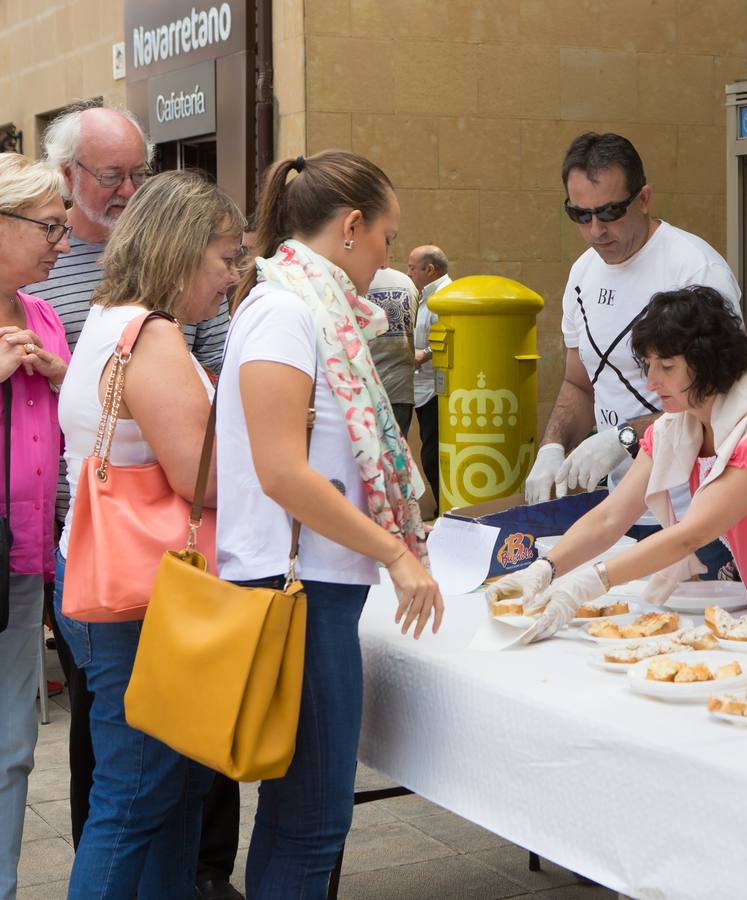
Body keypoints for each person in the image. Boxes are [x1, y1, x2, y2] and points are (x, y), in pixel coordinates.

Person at [222, 150, 441, 897]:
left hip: (312, 586)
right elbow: (283, 472)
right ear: (351, 228)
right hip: (300, 591)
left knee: (299, 815)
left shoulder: (303, 307)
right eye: (387, 236)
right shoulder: (287, 312)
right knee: (313, 820)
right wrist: (396, 551)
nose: (388, 256)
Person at [21, 102, 233, 862]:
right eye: (226, 257)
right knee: (136, 791)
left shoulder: (113, 311)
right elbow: (198, 473)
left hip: (103, 559)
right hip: (133, 577)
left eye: (138, 173)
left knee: (161, 789)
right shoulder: (144, 325)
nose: (232, 275)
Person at [490, 285, 747, 640]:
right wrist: (545, 569)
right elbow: (610, 517)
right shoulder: (678, 427)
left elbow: (693, 533)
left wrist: (590, 581)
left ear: (708, 364)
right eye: (647, 365)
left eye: (666, 367)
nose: (652, 382)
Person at [523, 132, 742, 577]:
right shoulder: (582, 273)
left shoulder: (694, 270)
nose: (595, 230)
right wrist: (552, 446)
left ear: (643, 198)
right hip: (622, 510)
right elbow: (577, 383)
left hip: (703, 512)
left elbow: (722, 398)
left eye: (609, 212)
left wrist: (624, 437)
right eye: (579, 214)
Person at [0, 153, 71, 900]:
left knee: (13, 746)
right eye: (49, 227)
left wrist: (63, 377)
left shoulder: (43, 314)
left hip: (23, 563)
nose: (62, 242)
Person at [406, 244, 450, 497]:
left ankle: (443, 507)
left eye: (412, 267)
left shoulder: (445, 296)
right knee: (430, 453)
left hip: (437, 389)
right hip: (422, 388)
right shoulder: (424, 294)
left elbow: (452, 336)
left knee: (433, 456)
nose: (409, 272)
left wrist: (425, 354)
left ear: (430, 269)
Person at [364, 265, 419, 433]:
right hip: (401, 386)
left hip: (367, 386)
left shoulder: (359, 280)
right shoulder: (407, 282)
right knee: (398, 452)